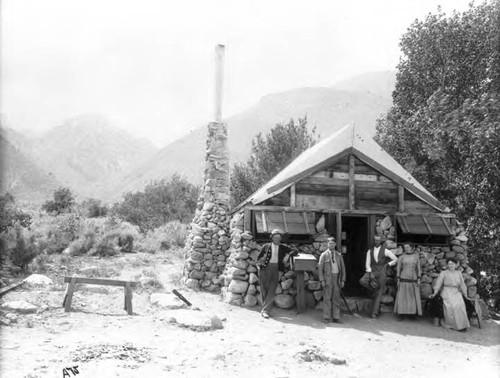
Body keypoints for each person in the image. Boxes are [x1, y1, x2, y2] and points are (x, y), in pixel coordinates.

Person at [256, 229, 297, 319]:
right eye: (275, 237)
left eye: (279, 238)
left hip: (276, 269)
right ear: (272, 238)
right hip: (264, 268)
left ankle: (266, 310)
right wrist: (259, 266)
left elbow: (295, 250)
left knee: (272, 289)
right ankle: (264, 308)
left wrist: (288, 255)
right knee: (264, 288)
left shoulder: (283, 247)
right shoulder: (266, 246)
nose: (277, 239)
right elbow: (259, 257)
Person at [359, 235, 398, 318]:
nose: (377, 242)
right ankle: (375, 288)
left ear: (381, 241)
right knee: (362, 281)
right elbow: (367, 264)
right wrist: (370, 273)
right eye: (375, 240)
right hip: (372, 270)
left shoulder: (385, 251)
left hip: (382, 271)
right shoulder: (370, 251)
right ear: (374, 241)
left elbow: (395, 259)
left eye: (378, 240)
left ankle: (374, 313)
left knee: (379, 293)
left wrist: (388, 264)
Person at [429, 258, 470, 331]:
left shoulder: (458, 273)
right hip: (446, 291)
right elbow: (438, 283)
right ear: (447, 265)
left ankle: (462, 325)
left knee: (460, 305)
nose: (451, 265)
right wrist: (435, 292)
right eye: (449, 264)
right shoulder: (444, 273)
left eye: (453, 264)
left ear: (456, 265)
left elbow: (462, 284)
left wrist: (465, 294)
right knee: (452, 305)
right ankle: (452, 325)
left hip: (456, 291)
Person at [318, 237, 346, 323]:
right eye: (329, 243)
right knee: (327, 298)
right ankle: (326, 317)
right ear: (327, 244)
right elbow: (320, 269)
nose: (331, 245)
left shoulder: (339, 255)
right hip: (328, 279)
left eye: (333, 243)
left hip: (337, 278)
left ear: (335, 244)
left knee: (336, 298)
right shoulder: (324, 255)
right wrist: (322, 280)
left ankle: (336, 317)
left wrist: (342, 280)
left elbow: (343, 268)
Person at [394, 243, 422, 319]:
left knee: (412, 297)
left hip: (413, 278)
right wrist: (398, 279)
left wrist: (419, 278)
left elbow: (418, 269)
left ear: (412, 247)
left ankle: (411, 314)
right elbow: (398, 268)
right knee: (402, 297)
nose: (406, 248)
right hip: (403, 277)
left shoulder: (416, 257)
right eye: (405, 247)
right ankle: (401, 314)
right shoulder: (401, 257)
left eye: (407, 247)